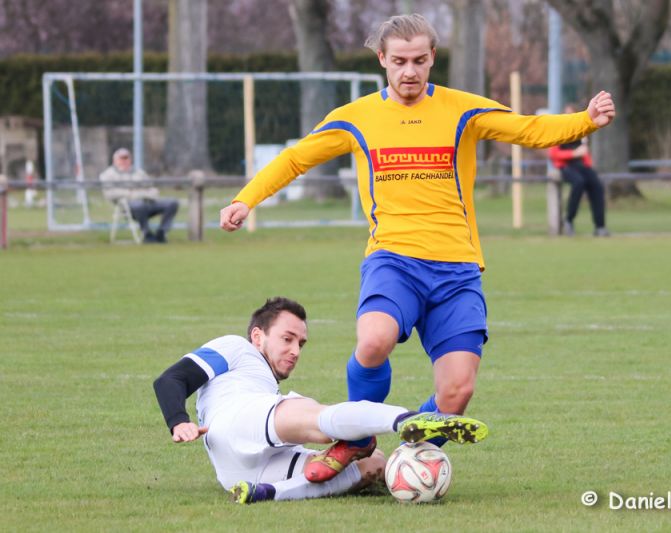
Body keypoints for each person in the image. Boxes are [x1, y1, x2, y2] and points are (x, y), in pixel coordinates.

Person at [219, 14, 615, 484]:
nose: (410, 71)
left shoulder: (462, 111)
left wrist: (585, 121)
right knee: (373, 341)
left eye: (419, 61)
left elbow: (529, 129)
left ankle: (408, 460)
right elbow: (294, 159)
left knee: (457, 394)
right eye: (400, 61)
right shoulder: (356, 118)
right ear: (382, 59)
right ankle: (358, 437)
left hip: (457, 270)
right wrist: (245, 199)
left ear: (432, 59)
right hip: (393, 259)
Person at [152, 296, 488, 504]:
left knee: (375, 464)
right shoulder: (236, 347)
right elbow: (171, 379)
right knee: (318, 419)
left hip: (239, 471)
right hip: (236, 421)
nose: (295, 351)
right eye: (287, 339)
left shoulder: (266, 386)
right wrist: (178, 421)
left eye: (300, 343)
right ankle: (405, 419)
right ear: (257, 335)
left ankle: (269, 493)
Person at [548, 104, 609, 237]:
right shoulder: (559, 131)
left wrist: (588, 164)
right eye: (566, 114)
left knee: (597, 185)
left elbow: (584, 153)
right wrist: (573, 154)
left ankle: (600, 226)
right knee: (578, 182)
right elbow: (554, 154)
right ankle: (569, 220)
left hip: (581, 165)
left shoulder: (580, 131)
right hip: (565, 166)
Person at [99, 148, 179, 243]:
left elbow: (152, 189)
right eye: (121, 159)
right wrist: (133, 194)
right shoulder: (108, 175)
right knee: (139, 205)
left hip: (148, 201)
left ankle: (161, 232)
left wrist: (143, 194)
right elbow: (110, 193)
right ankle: (147, 234)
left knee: (172, 203)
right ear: (114, 161)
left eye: (126, 158)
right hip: (127, 206)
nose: (124, 161)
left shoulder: (139, 173)